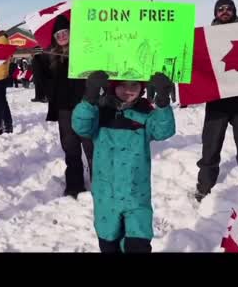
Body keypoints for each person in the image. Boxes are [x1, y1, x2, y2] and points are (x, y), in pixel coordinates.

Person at [72, 71, 175, 253]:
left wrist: (163, 102)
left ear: (142, 88)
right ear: (113, 86)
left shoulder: (146, 113)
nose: (128, 90)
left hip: (137, 195)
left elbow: (163, 131)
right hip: (106, 196)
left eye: (134, 85)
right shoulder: (99, 111)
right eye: (123, 85)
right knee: (109, 244)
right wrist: (90, 97)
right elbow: (81, 126)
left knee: (139, 245)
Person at [195, 0, 238, 202]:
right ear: (215, 13)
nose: (224, 11)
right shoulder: (206, 37)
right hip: (217, 101)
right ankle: (204, 186)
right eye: (220, 9)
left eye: (228, 8)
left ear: (234, 11)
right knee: (211, 145)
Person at [35, 15, 93, 198]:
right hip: (64, 109)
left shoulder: (84, 52)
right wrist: (38, 62)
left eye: (64, 32)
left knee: (91, 147)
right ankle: (74, 185)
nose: (61, 36)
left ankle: (100, 184)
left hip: (85, 106)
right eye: (57, 34)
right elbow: (44, 81)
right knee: (70, 148)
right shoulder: (52, 57)